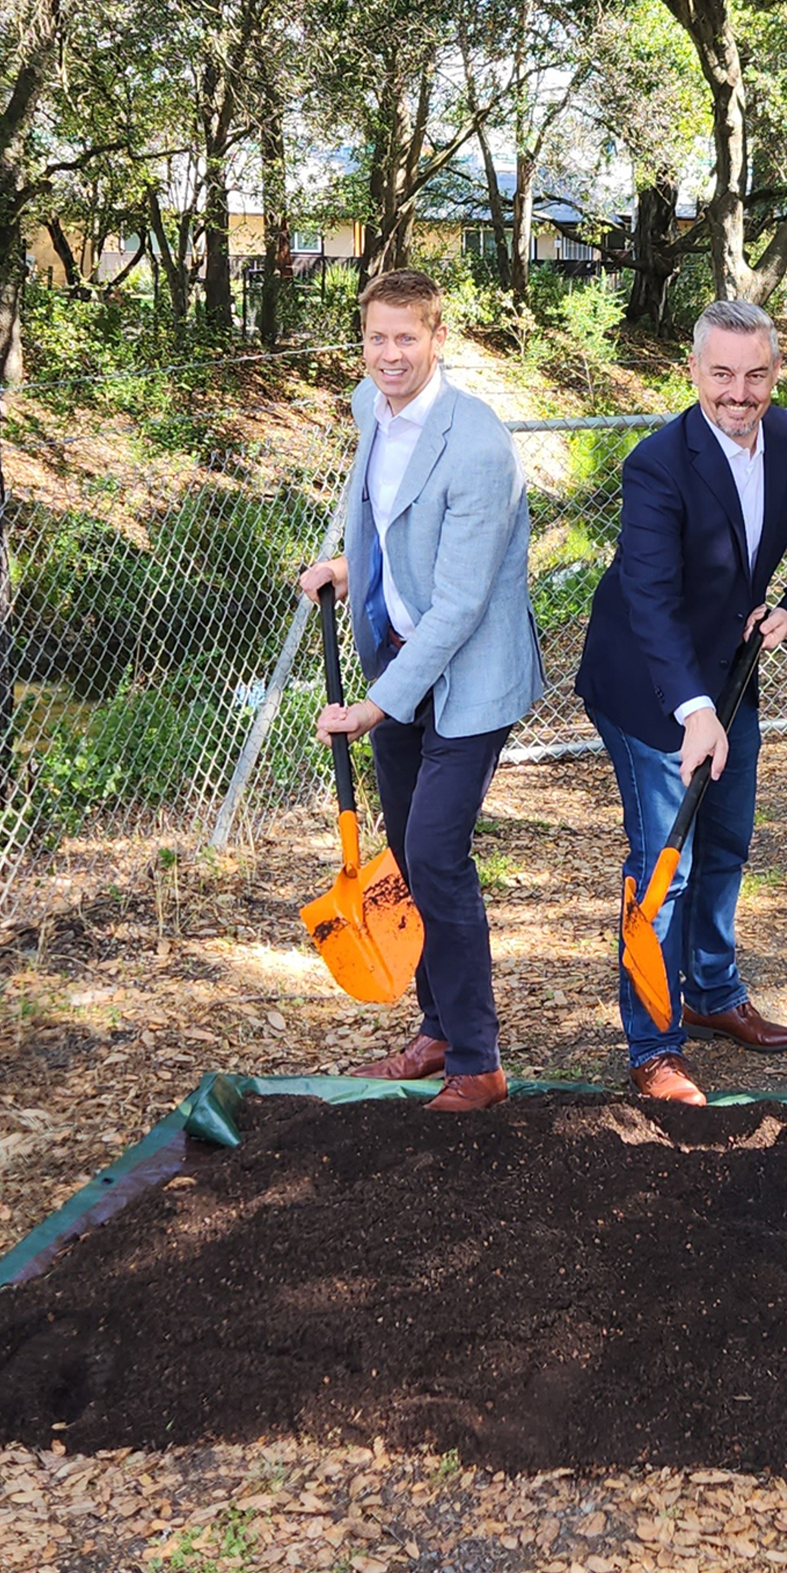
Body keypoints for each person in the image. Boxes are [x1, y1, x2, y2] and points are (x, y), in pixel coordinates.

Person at [576, 299, 787, 1104]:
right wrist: (691, 711)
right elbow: (650, 602)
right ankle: (654, 1046)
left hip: (731, 675)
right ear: (694, 372)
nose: (739, 392)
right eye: (722, 374)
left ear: (774, 373)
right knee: (666, 866)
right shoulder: (658, 464)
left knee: (725, 845)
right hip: (649, 683)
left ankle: (713, 995)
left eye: (755, 374)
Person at [299, 268, 546, 1113]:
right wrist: (343, 565)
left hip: (466, 673)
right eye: (377, 338)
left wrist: (376, 704)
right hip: (397, 658)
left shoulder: (477, 444)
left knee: (437, 853)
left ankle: (478, 1062)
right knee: (405, 853)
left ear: (439, 337)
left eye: (407, 337)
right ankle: (435, 1029)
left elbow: (463, 602)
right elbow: (379, 520)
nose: (390, 354)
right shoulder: (372, 408)